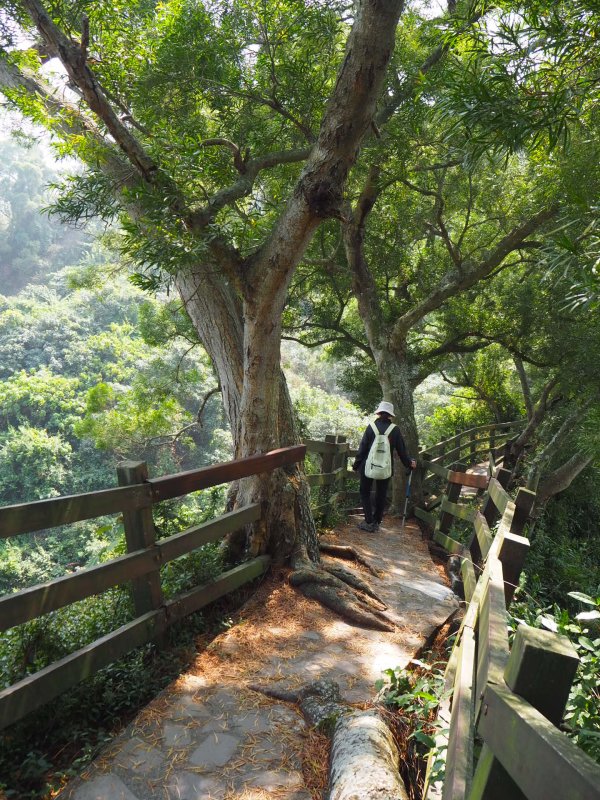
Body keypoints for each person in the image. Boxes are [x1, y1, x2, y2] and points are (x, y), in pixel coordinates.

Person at [352, 400, 416, 532]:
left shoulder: (371, 427)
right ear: (390, 415)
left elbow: (362, 448)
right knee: (381, 494)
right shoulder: (395, 430)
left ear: (379, 412)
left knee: (364, 492)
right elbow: (401, 450)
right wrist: (409, 463)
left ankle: (368, 521)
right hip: (385, 467)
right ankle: (377, 521)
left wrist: (356, 465)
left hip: (368, 466)